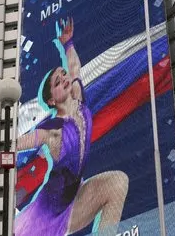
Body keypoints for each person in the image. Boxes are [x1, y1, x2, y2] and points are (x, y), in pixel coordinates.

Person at [15, 17, 129, 236]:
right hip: (46, 217)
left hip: (75, 196)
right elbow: (23, 142)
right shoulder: (53, 130)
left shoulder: (78, 98)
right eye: (57, 82)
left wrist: (68, 44)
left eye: (63, 76)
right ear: (50, 101)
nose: (64, 79)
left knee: (118, 182)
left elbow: (75, 68)